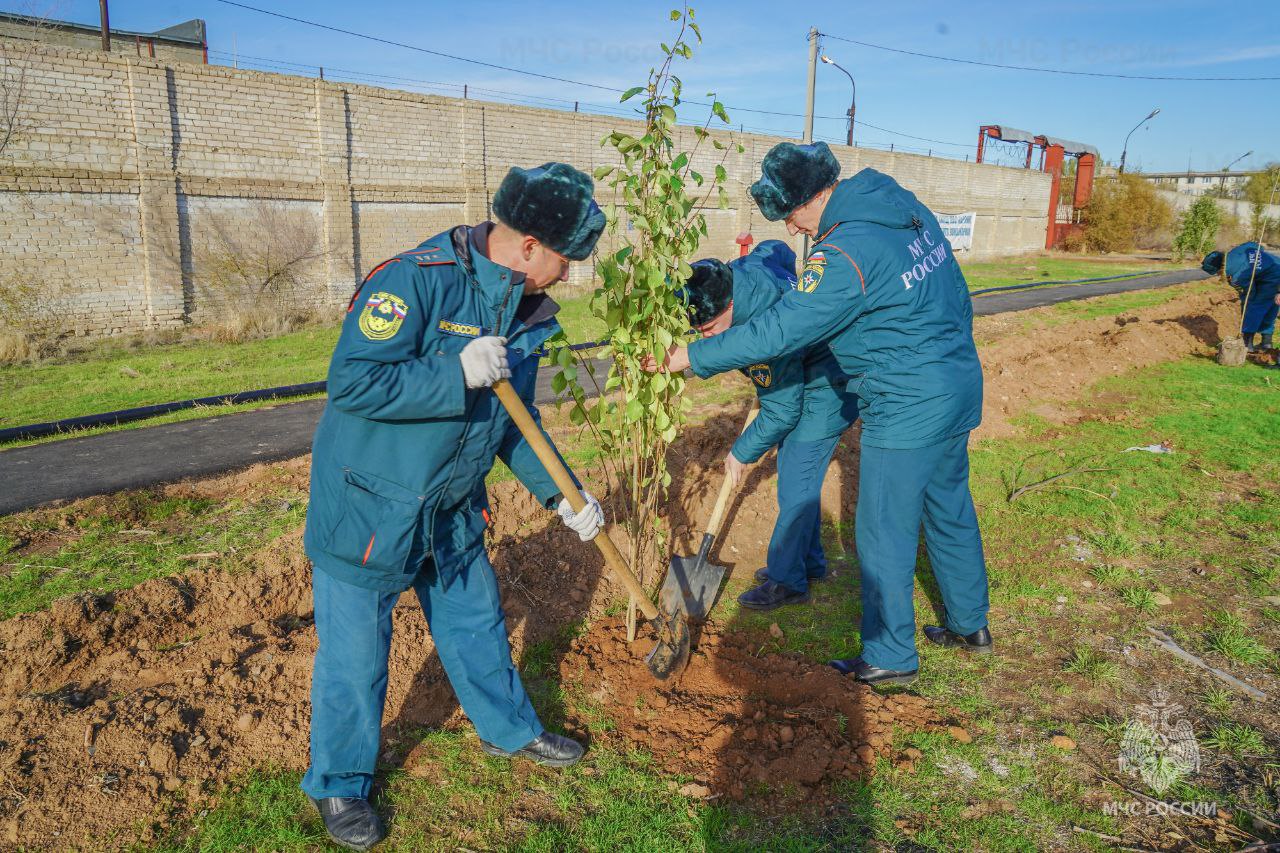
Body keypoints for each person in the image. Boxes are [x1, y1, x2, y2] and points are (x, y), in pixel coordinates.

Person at [301, 162, 607, 850]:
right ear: (529, 244)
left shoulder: (523, 309)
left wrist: (563, 492)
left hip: (452, 507)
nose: (568, 275)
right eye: (565, 260)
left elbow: (514, 421)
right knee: (356, 657)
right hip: (371, 509)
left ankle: (509, 730)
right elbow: (353, 381)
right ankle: (340, 782)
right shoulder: (414, 280)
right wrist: (454, 370)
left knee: (477, 625)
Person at [648, 142, 991, 687]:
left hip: (905, 401)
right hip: (955, 379)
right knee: (947, 504)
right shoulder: (902, 208)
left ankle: (891, 655)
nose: (792, 228)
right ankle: (970, 623)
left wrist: (692, 356)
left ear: (814, 197)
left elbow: (782, 329)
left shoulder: (844, 253)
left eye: (792, 214)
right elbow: (956, 290)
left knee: (882, 530)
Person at [677, 240, 858, 610]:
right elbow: (775, 248)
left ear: (730, 305)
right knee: (798, 478)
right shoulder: (744, 270)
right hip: (805, 372)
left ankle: (788, 581)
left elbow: (783, 411)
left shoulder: (763, 334)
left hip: (827, 385)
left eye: (710, 327)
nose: (706, 337)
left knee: (796, 483)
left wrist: (741, 452)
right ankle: (809, 563)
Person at [1202, 243, 1280, 352]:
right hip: (1276, 263)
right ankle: (1266, 343)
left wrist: (1245, 311)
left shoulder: (1236, 276)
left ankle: (1247, 344)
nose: (1218, 275)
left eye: (1217, 273)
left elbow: (1249, 296)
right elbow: (1255, 245)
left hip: (1271, 279)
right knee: (1271, 306)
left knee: (1254, 307)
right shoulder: (1236, 251)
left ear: (1220, 269)